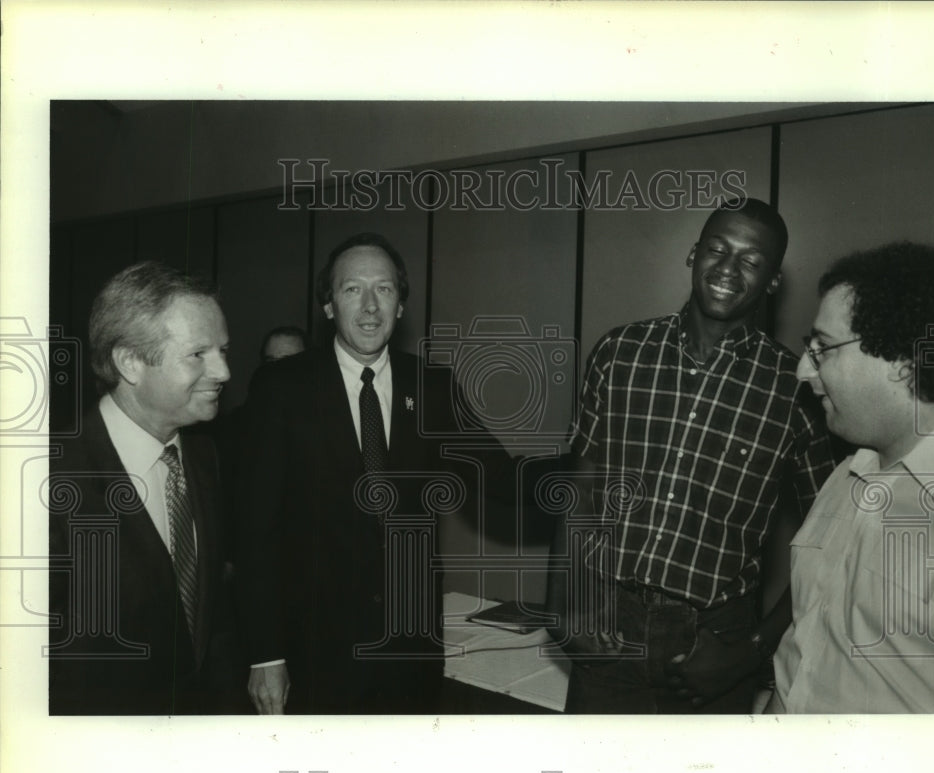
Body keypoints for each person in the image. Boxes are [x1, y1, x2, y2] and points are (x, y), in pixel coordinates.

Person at [547, 198, 837, 713]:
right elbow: (581, 489)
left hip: (714, 643)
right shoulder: (620, 352)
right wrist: (563, 602)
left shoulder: (795, 389)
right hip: (608, 625)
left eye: (751, 260)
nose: (727, 268)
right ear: (693, 253)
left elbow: (830, 541)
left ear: (772, 280)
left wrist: (751, 649)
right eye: (717, 250)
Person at [234, 232, 508, 714]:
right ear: (328, 306)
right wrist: (266, 654)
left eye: (383, 289)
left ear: (400, 305)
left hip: (410, 655)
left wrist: (589, 464)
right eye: (352, 289)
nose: (369, 306)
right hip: (315, 656)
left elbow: (503, 478)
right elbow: (257, 531)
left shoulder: (432, 386)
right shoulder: (281, 388)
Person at [768, 242, 934, 713]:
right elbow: (803, 645)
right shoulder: (844, 478)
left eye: (823, 349)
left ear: (902, 361)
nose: (802, 370)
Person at [48, 261, 231, 714]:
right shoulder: (47, 478)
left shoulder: (204, 456)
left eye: (224, 350)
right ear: (130, 362)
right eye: (198, 354)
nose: (223, 371)